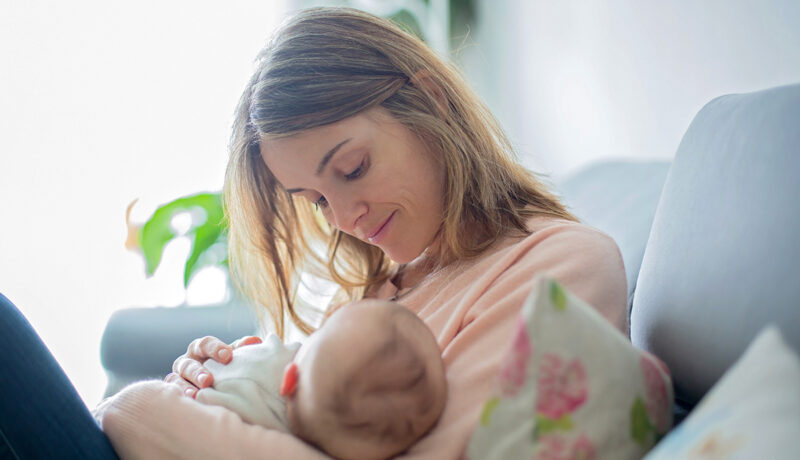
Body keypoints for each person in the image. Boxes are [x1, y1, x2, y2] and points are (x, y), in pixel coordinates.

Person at [0, 6, 626, 459]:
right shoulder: (376, 293)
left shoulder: (559, 269)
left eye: (352, 168)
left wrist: (138, 414)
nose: (347, 217)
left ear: (430, 102)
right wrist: (217, 387)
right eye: (317, 200)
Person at [194, 299, 447, 460]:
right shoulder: (333, 442)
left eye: (318, 333)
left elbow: (200, 379)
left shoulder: (268, 363)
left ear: (289, 379)